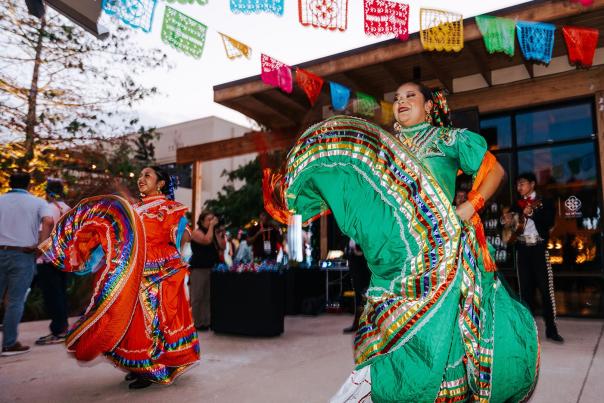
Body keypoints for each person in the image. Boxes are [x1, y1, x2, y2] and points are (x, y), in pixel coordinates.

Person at [275, 81, 540, 401]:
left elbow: (493, 171)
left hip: (441, 257)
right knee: (388, 334)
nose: (400, 101)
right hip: (394, 265)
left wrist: (471, 205)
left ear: (429, 105)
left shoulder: (447, 139)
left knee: (436, 336)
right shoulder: (386, 147)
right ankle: (376, 386)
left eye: (409, 96)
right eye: (396, 97)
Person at [40, 166, 199, 389]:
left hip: (159, 274)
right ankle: (138, 366)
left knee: (152, 322)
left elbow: (182, 239)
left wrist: (164, 255)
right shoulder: (132, 208)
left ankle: (151, 368)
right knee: (129, 320)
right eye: (140, 176)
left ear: (161, 183)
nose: (141, 180)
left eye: (147, 176)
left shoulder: (171, 209)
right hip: (132, 270)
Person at [0, 172, 54, 356]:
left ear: (10, 183)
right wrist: (41, 245)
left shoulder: (1, 200)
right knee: (15, 301)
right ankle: (9, 344)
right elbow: (48, 220)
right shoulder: (37, 202)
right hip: (22, 254)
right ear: (29, 185)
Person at [508, 172, 563, 342]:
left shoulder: (545, 201)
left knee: (546, 290)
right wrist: (507, 220)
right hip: (523, 250)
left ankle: (551, 330)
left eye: (522, 183)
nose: (519, 187)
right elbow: (507, 224)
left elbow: (549, 222)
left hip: (539, 249)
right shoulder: (516, 204)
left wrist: (532, 213)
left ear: (532, 184)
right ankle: (528, 330)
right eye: (517, 184)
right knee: (525, 291)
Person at [35, 179, 71, 346]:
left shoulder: (49, 208)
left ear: (48, 192)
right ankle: (63, 328)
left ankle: (58, 331)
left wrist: (40, 247)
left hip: (48, 257)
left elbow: (48, 223)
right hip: (64, 256)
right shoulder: (67, 208)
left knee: (52, 295)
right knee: (61, 293)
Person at [188, 210, 224, 331]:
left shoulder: (213, 232)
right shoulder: (196, 232)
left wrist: (218, 233)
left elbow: (222, 246)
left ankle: (206, 322)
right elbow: (206, 240)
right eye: (209, 219)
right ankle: (195, 322)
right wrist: (212, 227)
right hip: (199, 269)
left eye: (213, 219)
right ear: (202, 221)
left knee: (208, 297)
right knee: (197, 297)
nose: (211, 221)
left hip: (212, 268)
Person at [342, 239, 370, 334]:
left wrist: (357, 250)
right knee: (358, 298)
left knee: (364, 297)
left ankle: (364, 325)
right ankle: (357, 324)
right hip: (356, 270)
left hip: (364, 269)